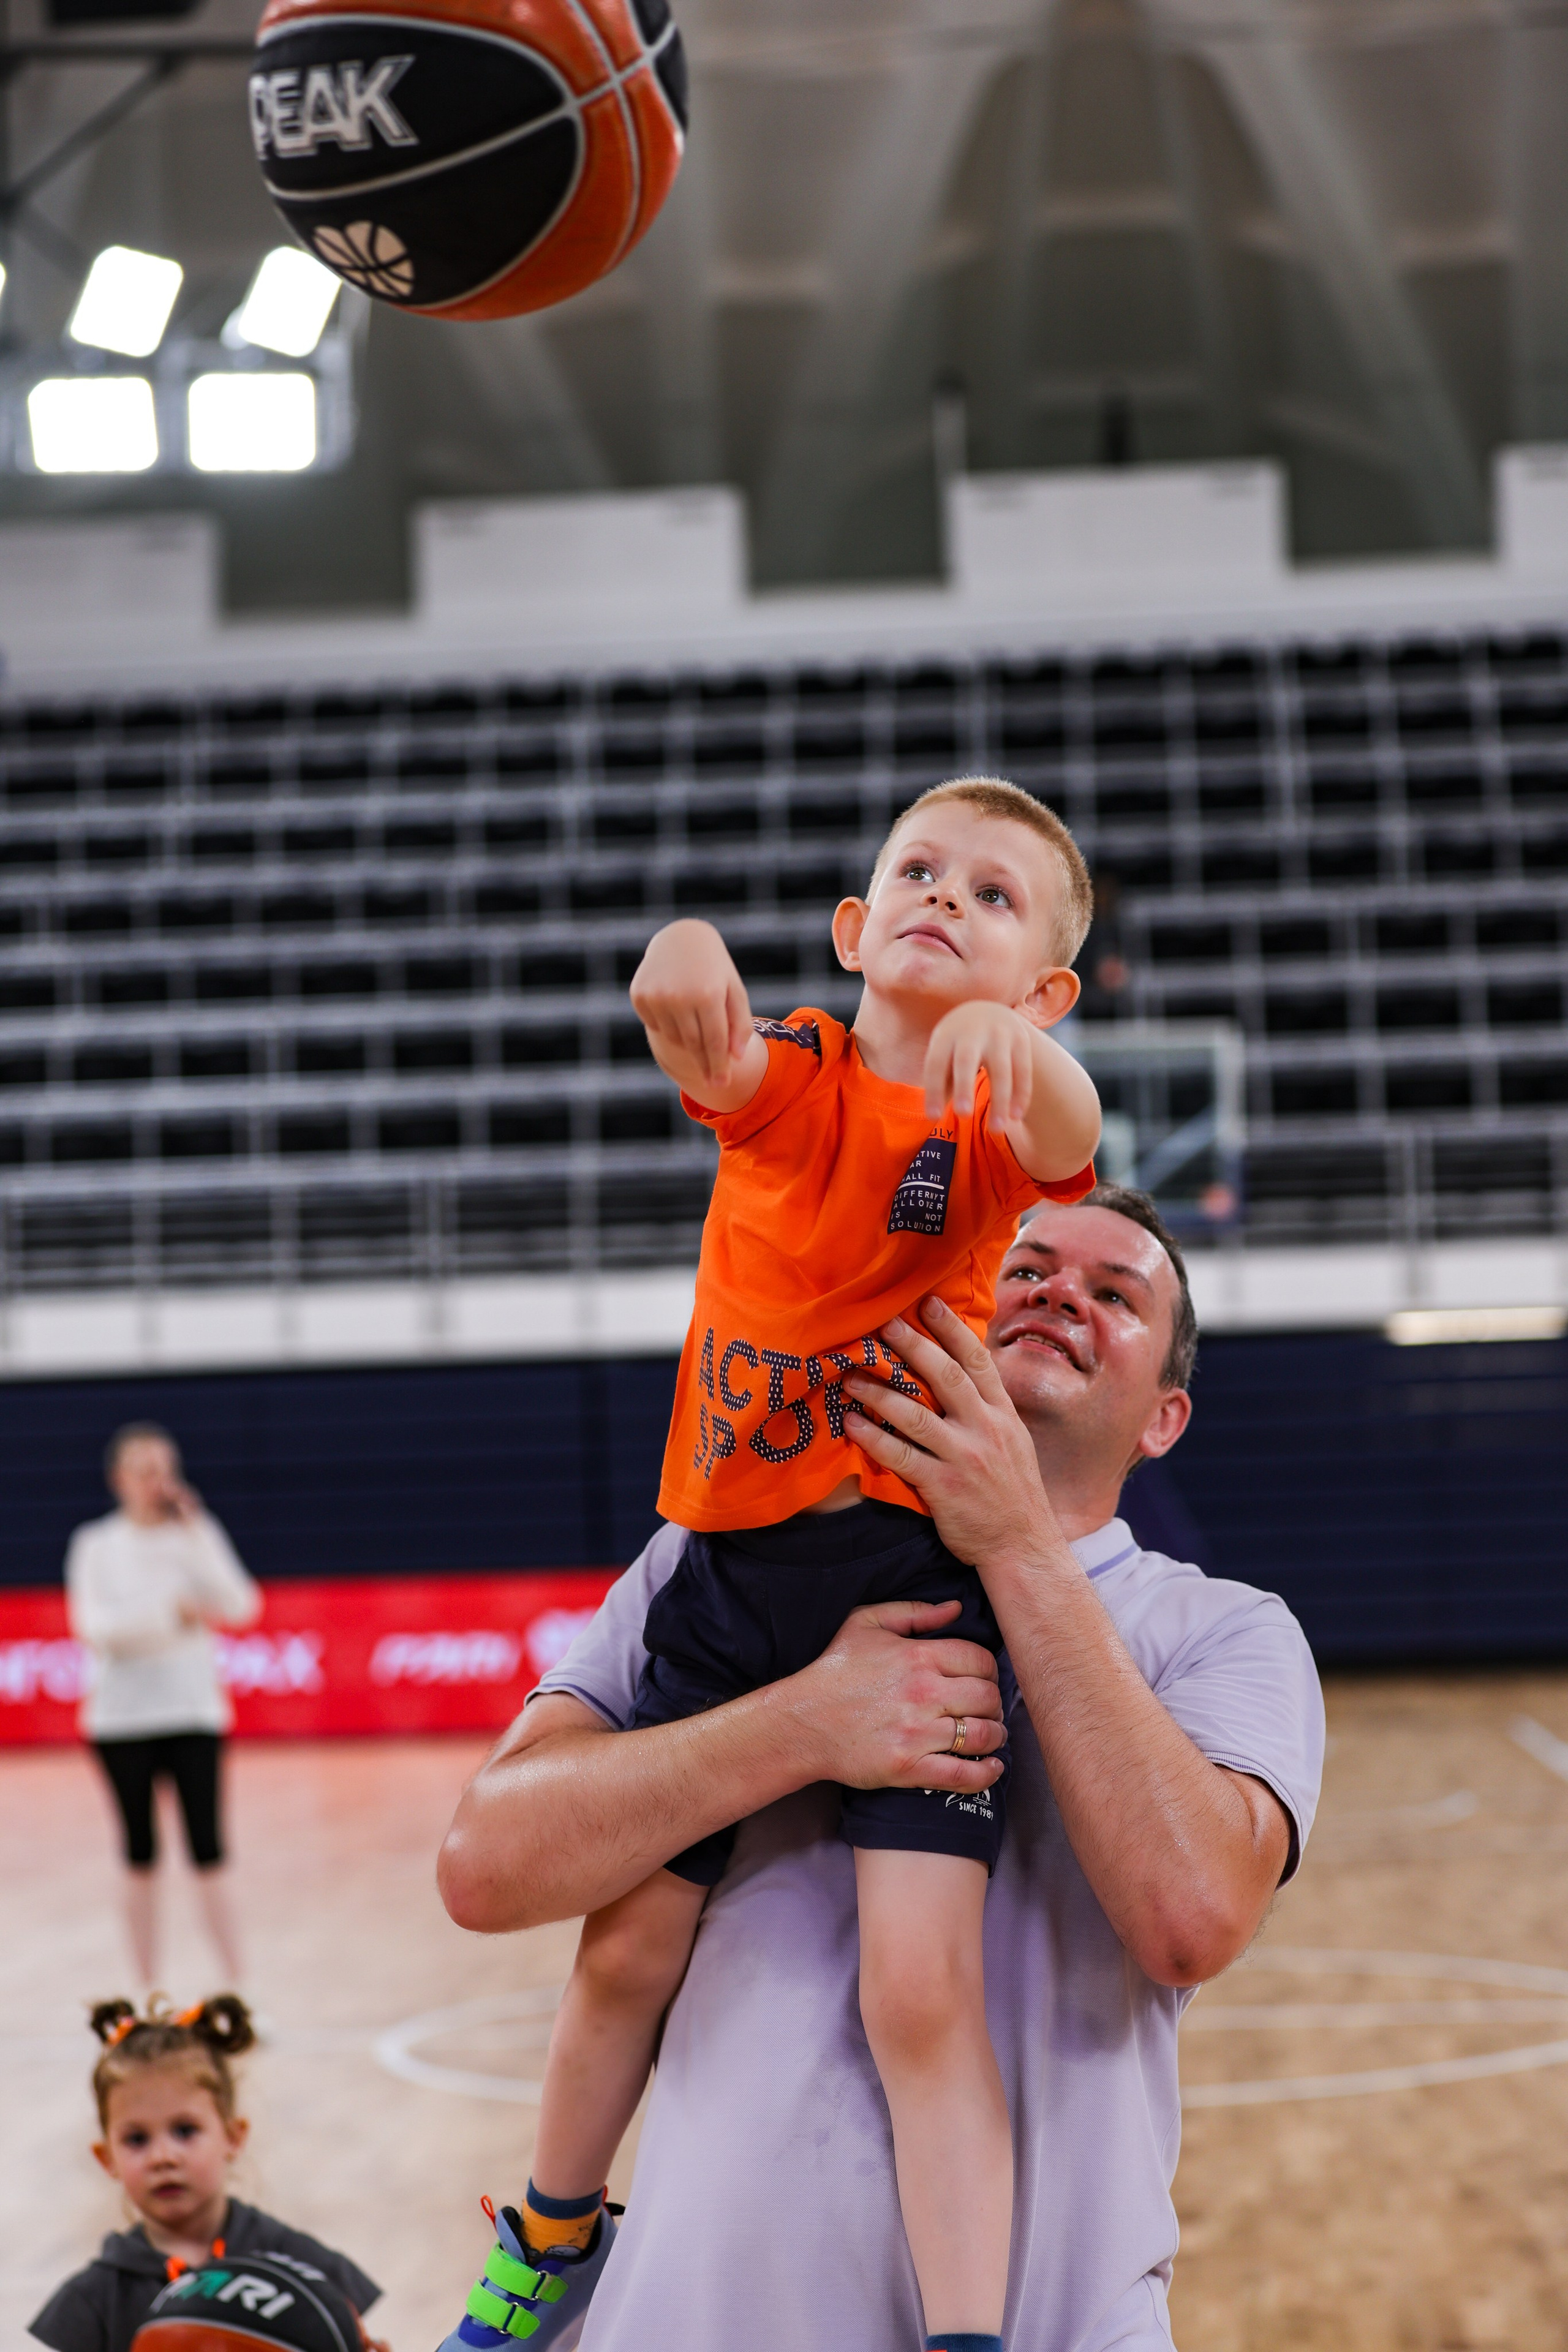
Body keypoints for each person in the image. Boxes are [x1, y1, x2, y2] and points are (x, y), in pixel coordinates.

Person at [439, 775, 1102, 2352]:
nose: (947, 899)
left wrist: (1040, 1069)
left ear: (1043, 987)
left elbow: (1071, 1135)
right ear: (855, 927)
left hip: (908, 1568)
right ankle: (547, 2234)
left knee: (917, 1995)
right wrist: (680, 954)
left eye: (994, 896)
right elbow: (716, 1053)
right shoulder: (798, 1070)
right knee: (625, 1953)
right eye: (919, 872)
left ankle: (966, 2334)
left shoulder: (997, 1123)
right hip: (727, 1570)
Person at [437, 1185, 1325, 2352]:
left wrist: (1010, 1541)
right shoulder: (711, 1561)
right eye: (1030, 1268)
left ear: (1164, 1419)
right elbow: (485, 1870)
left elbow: (1192, 1919)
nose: (1061, 1293)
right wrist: (803, 1725)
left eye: (1115, 1297)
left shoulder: (1221, 1628)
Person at [27, 1996, 383, 2352]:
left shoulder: (296, 2261)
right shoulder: (94, 2299)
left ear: (232, 2136)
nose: (163, 2157)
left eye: (185, 2131)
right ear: (107, 2159)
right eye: (137, 2139)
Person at [67, 1426, 262, 1995]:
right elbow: (97, 1630)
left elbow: (241, 1604)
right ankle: (148, 1989)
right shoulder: (96, 1545)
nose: (158, 1483)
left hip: (193, 1713)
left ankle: (237, 1989)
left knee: (210, 1852)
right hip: (121, 1722)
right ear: (119, 1479)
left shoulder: (194, 1537)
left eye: (165, 1469)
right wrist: (171, 1614)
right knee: (139, 1854)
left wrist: (198, 1530)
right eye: (145, 1471)